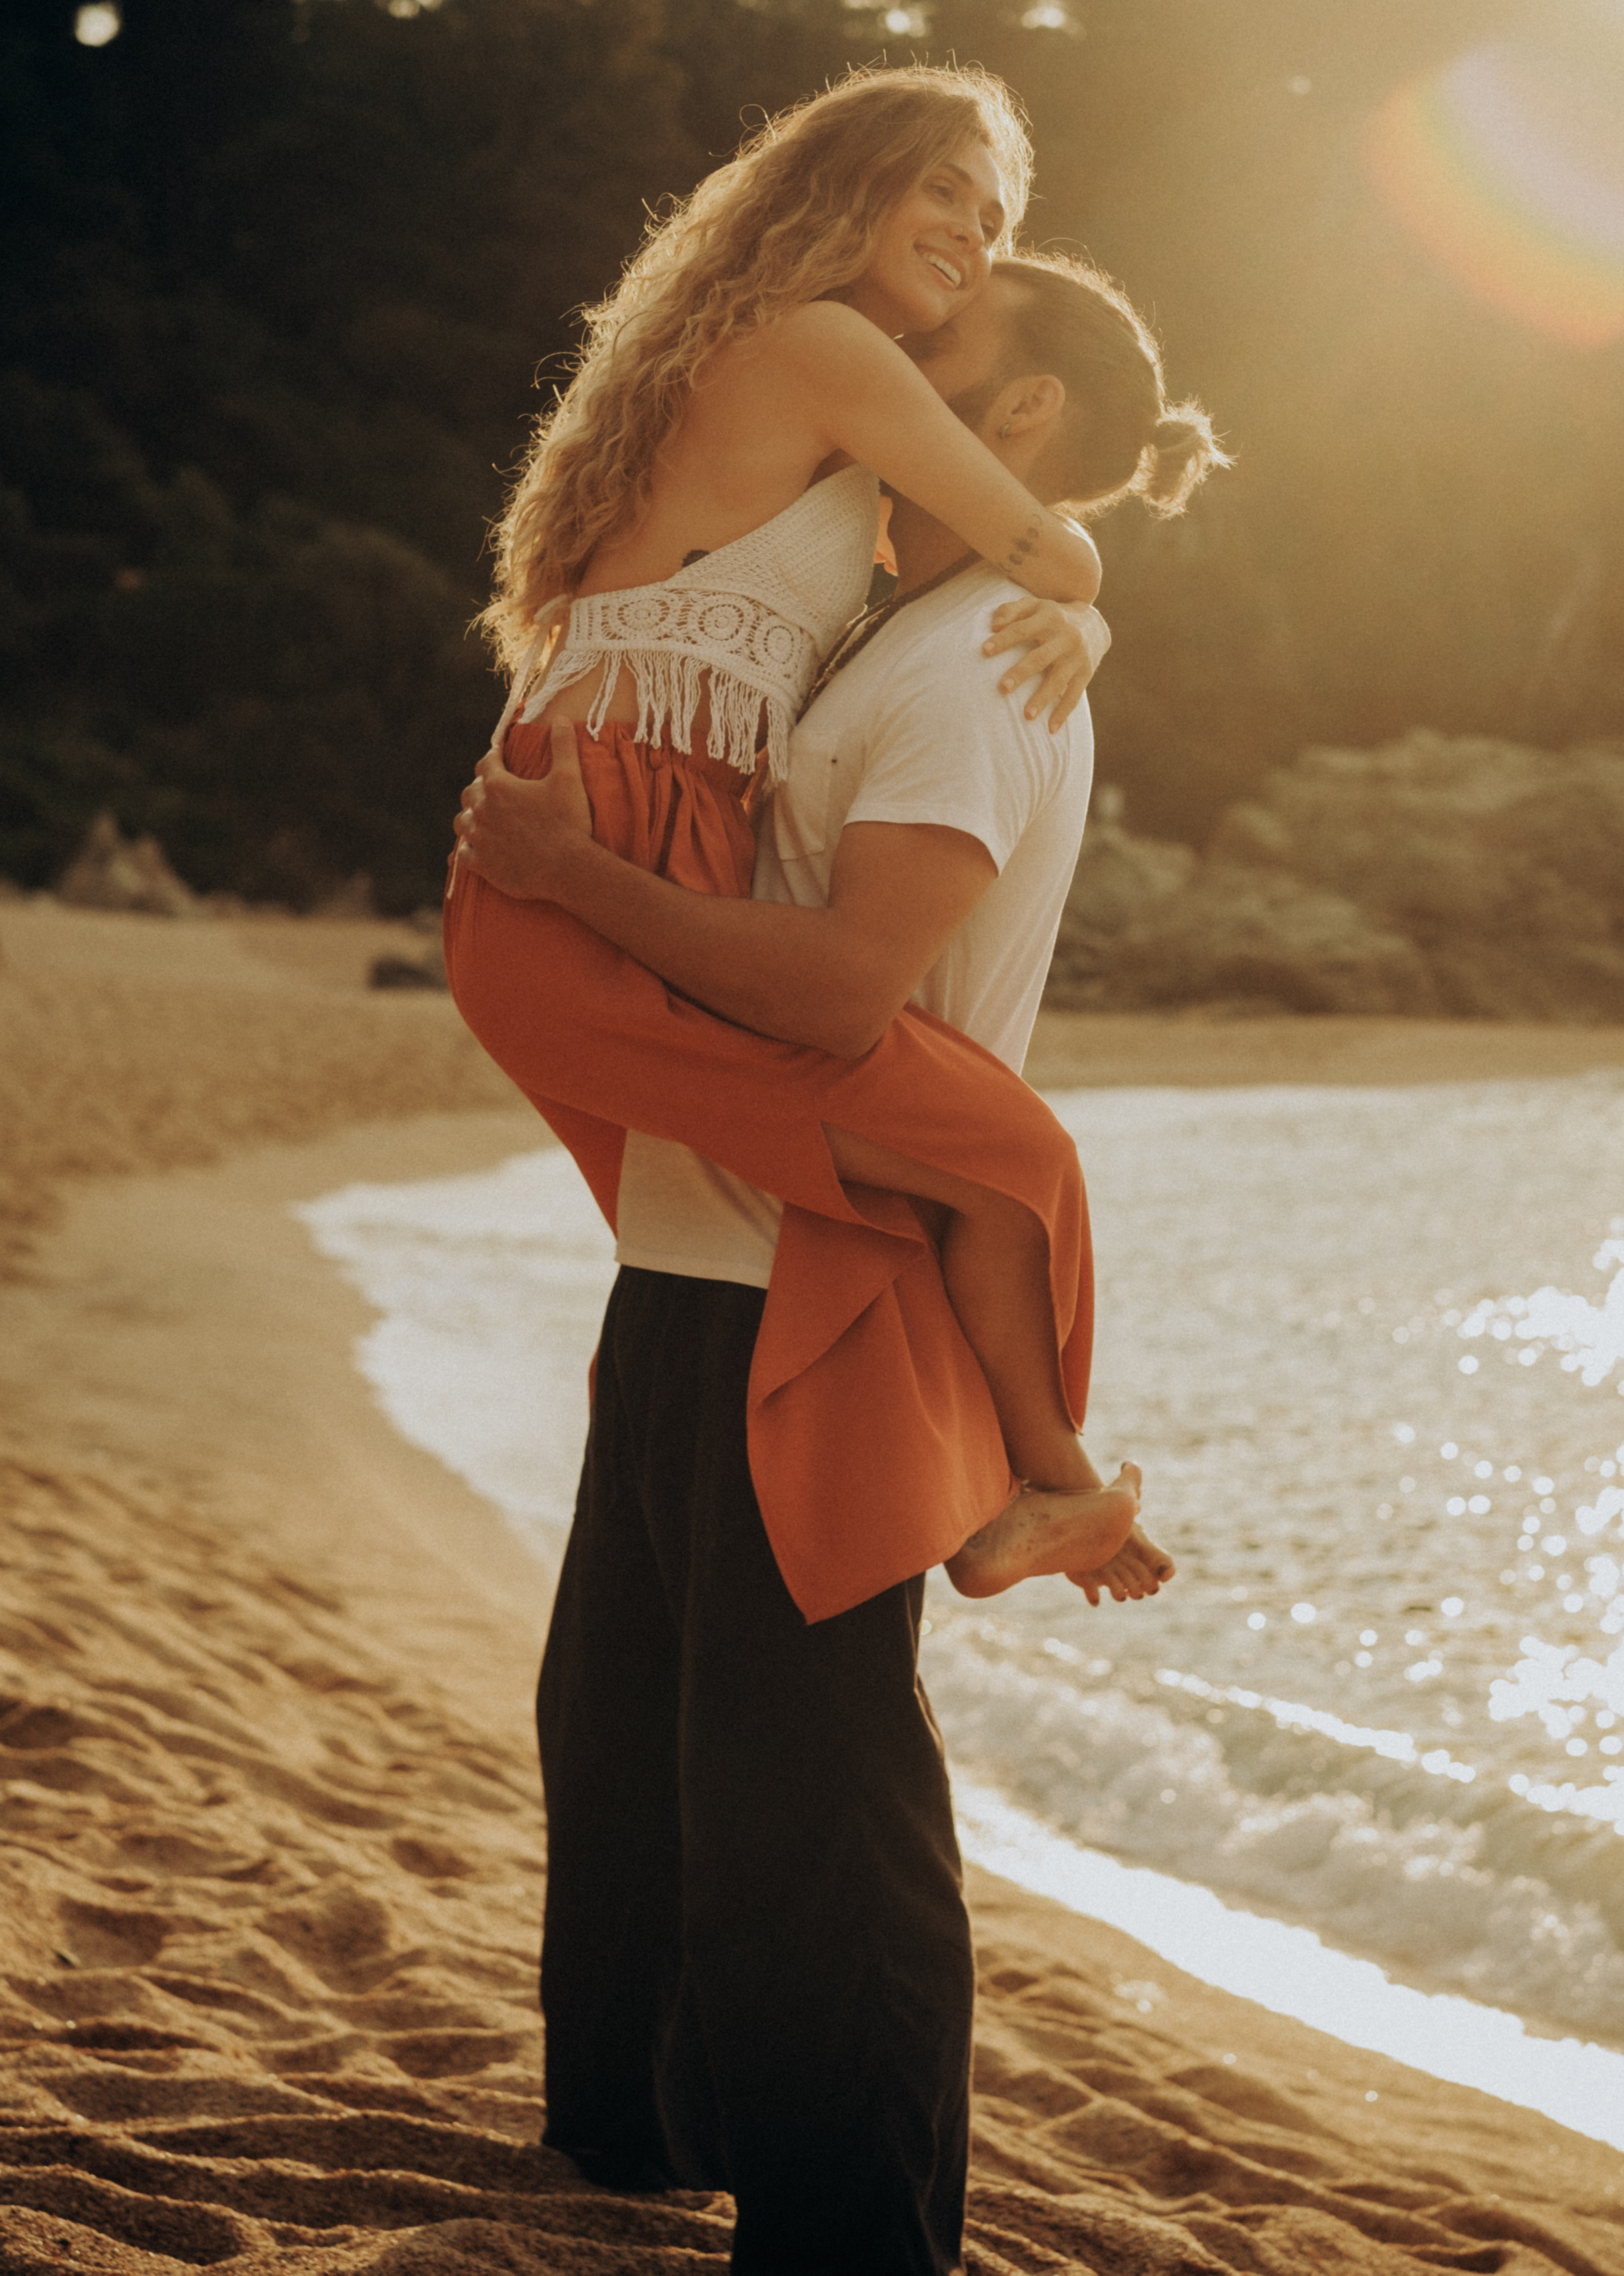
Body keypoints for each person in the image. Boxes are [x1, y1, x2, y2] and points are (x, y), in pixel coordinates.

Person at [453, 247, 1223, 2273]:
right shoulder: (935, 628)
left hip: (825, 1277)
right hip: (706, 1257)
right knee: (627, 1743)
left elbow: (833, 992)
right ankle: (627, 2144)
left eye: (936, 356)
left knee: (814, 1803)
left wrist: (568, 877)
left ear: (1021, 417)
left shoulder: (977, 673)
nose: (884, 376)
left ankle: (856, 2233)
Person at [447, 65, 1214, 1608]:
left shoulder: (810, 407)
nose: (970, 236)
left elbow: (990, 555)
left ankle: (1017, 1488)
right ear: (845, 178)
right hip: (597, 843)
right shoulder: (829, 353)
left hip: (628, 839)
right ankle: (1041, 1483)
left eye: (993, 216)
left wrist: (1070, 617)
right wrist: (1086, 608)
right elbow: (1044, 537)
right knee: (1000, 1156)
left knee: (867, 1200)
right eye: (940, 188)